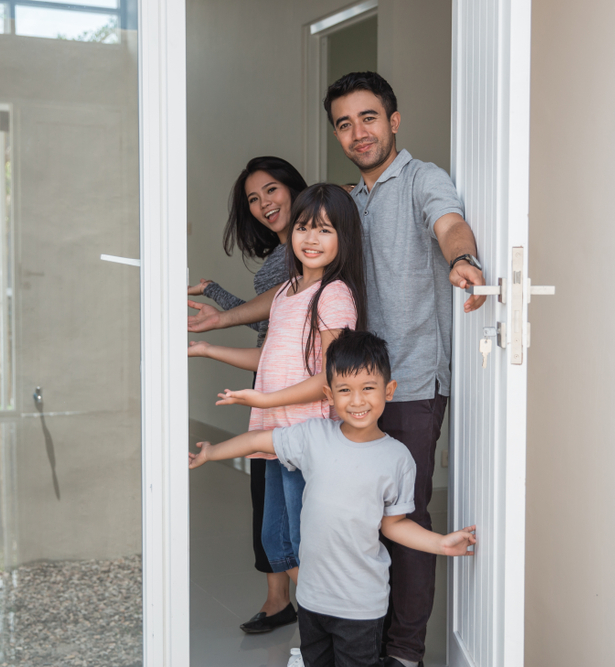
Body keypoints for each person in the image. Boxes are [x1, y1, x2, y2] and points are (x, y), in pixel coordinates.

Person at [188, 72, 487, 667]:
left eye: (369, 118)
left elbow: (448, 223)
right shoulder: (346, 203)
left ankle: (401, 654)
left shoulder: (423, 180)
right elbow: (290, 293)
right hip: (343, 390)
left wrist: (464, 258)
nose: (358, 132)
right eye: (345, 123)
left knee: (401, 519)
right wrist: (216, 322)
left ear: (393, 120)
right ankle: (360, 645)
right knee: (349, 521)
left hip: (407, 382)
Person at [188, 329, 477, 667]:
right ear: (329, 395)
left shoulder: (397, 459)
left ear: (389, 390)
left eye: (368, 388)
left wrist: (441, 544)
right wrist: (212, 451)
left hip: (361, 606)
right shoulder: (313, 437)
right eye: (345, 390)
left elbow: (395, 525)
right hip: (311, 599)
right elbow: (258, 441)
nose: (357, 401)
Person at [188, 182, 367, 611]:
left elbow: (331, 376)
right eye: (304, 227)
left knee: (304, 544)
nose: (310, 238)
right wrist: (210, 349)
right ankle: (318, 628)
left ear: (344, 239)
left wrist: (266, 401)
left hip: (306, 437)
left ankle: (326, 632)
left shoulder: (335, 295)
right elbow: (267, 357)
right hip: (276, 436)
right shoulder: (287, 292)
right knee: (277, 541)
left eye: (325, 230)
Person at [187, 156, 306, 633]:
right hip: (269, 380)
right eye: (254, 200)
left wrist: (215, 313)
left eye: (271, 191)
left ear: (294, 188)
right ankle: (281, 599)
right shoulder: (282, 251)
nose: (263, 205)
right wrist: (215, 294)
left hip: (289, 386)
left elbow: (268, 318)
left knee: (284, 499)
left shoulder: (303, 249)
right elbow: (265, 318)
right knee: (268, 497)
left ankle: (311, 608)